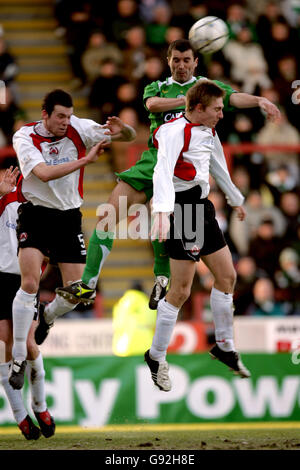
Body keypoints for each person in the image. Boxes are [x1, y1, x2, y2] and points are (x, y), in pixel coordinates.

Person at [54, 39, 280, 315]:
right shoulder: (159, 87)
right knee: (108, 216)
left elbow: (232, 98)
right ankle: (88, 285)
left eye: (186, 60)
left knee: (171, 238)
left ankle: (162, 279)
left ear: (196, 62)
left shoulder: (207, 87)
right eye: (176, 60)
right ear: (168, 61)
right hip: (153, 163)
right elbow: (152, 105)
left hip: (184, 174)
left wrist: (258, 100)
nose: (181, 65)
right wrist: (189, 99)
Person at [9, 89, 136, 389]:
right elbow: (41, 173)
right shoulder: (24, 137)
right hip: (36, 214)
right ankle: (17, 357)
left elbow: (127, 137)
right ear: (45, 115)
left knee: (81, 291)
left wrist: (124, 129)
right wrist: (86, 161)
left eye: (69, 115)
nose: (66, 122)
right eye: (60, 117)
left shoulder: (80, 127)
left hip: (68, 218)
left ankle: (48, 315)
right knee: (29, 282)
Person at [146, 80, 251, 392]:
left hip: (201, 208)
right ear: (199, 108)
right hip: (183, 210)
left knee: (228, 277)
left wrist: (235, 198)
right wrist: (163, 213)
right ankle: (156, 356)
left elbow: (217, 165)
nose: (222, 113)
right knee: (180, 291)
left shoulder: (208, 130)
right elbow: (162, 171)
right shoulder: (174, 131)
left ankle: (224, 346)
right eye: (217, 108)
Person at [0, 165, 55, 439]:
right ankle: (20, 415)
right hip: (0, 277)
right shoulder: (6, 196)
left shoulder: (46, 202)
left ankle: (41, 406)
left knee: (29, 343)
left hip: (26, 280)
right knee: (3, 345)